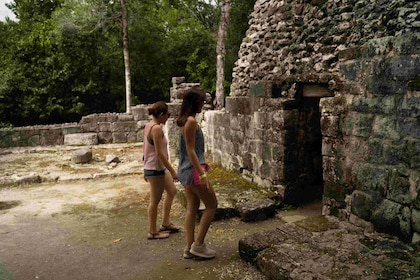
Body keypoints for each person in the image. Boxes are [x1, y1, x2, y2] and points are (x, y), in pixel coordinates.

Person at [177, 88, 218, 259]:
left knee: (192, 208)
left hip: (185, 170)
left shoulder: (184, 121)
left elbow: (189, 151)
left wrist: (202, 162)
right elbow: (190, 150)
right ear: (195, 102)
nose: (203, 104)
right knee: (211, 205)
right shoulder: (191, 121)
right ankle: (199, 245)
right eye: (202, 101)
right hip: (193, 172)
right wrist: (202, 173)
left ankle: (189, 248)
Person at [143, 101, 180, 240]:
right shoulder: (156, 129)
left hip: (155, 167)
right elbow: (159, 154)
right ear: (161, 114)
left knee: (172, 191)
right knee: (155, 200)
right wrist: (172, 171)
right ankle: (152, 232)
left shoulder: (150, 125)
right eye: (167, 115)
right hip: (155, 168)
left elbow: (145, 149)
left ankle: (165, 223)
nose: (168, 118)